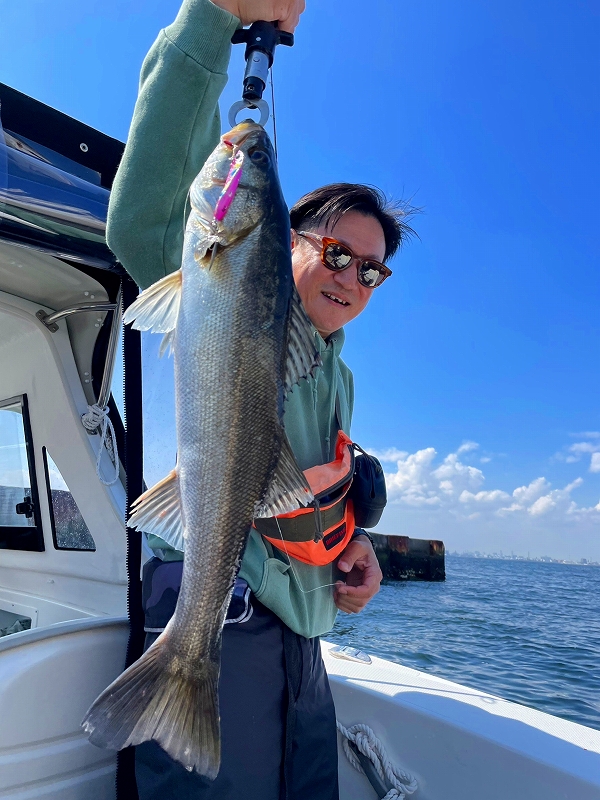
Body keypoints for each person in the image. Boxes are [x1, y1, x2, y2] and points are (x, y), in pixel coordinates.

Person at [107, 1, 414, 798]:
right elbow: (142, 211)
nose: (352, 276)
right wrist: (214, 20)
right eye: (339, 253)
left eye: (372, 269)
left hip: (302, 652)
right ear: (287, 240)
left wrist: (354, 549)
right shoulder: (219, 282)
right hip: (226, 614)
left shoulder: (337, 374)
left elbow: (303, 488)